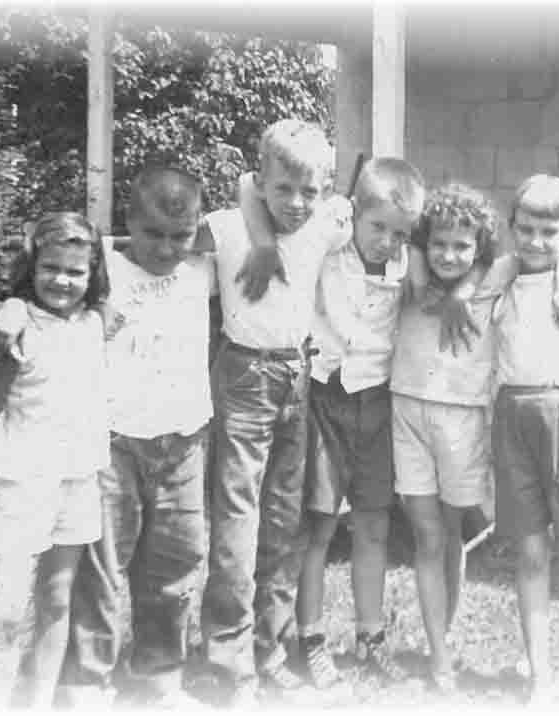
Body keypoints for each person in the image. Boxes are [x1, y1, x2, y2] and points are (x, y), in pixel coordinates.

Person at [0, 164, 217, 707]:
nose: (165, 247)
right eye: (152, 233)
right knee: (101, 574)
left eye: (179, 236)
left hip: (184, 444)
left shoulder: (205, 266)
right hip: (113, 443)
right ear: (126, 223)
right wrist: (14, 307)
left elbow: (251, 209)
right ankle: (87, 681)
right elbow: (37, 259)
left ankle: (159, 679)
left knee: (176, 566)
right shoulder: (103, 267)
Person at [200, 119, 353, 705]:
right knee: (237, 521)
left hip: (298, 377)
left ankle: (271, 649)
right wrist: (260, 239)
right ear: (261, 181)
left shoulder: (322, 226)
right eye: (283, 189)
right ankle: (230, 662)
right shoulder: (229, 226)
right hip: (243, 374)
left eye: (308, 191)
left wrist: (288, 225)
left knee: (283, 521)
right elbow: (147, 245)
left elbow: (358, 210)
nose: (296, 203)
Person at [263, 157, 427, 688]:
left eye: (399, 233)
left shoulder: (410, 262)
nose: (386, 241)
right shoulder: (330, 238)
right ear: (356, 213)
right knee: (319, 525)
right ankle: (309, 637)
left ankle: (370, 635)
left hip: (378, 403)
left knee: (374, 524)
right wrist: (336, 207)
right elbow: (257, 190)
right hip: (326, 397)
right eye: (377, 227)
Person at [0, 212, 110, 708]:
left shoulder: (96, 322)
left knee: (56, 598)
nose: (62, 280)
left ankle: (35, 700)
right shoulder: (17, 324)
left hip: (77, 478)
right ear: (32, 268)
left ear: (92, 275)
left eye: (76, 271)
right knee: (6, 608)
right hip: (22, 479)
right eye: (51, 268)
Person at [491, 174, 559, 704]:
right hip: (513, 417)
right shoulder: (506, 279)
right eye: (526, 229)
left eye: (549, 232)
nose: (536, 241)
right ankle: (539, 670)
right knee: (531, 549)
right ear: (512, 227)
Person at [391, 184, 504, 691]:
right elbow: (404, 240)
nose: (448, 255)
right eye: (438, 244)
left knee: (453, 535)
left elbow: (509, 257)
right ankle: (438, 657)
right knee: (427, 535)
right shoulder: (410, 278)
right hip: (407, 407)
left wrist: (463, 290)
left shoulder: (488, 282)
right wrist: (420, 262)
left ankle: (444, 634)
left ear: (478, 249)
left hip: (463, 418)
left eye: (462, 246)